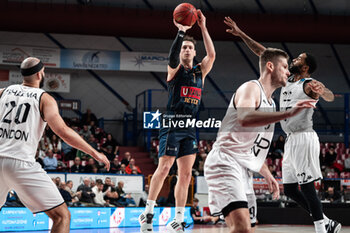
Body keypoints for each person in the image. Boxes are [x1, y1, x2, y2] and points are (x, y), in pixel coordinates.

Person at [224, 17, 341, 233]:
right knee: (290, 189)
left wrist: (322, 90)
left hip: (304, 137)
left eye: (298, 58)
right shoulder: (287, 80)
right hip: (290, 140)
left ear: (305, 67)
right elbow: (264, 54)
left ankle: (321, 230)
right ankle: (326, 221)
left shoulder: (308, 84)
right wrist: (241, 34)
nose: (293, 59)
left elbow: (331, 96)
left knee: (306, 187)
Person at [204, 46, 317, 233]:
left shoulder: (271, 103)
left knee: (248, 228)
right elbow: (244, 117)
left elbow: (253, 147)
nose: (288, 72)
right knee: (241, 227)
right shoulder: (251, 88)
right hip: (225, 161)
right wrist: (288, 113)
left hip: (244, 168)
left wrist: (267, 173)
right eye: (284, 67)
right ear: (271, 67)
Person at [0, 57, 110, 233]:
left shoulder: (4, 91)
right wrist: (94, 152)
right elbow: (63, 132)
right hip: (20, 162)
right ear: (39, 74)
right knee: (61, 216)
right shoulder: (44, 98)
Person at [139, 9, 216, 233]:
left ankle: (179, 218)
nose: (187, 50)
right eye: (184, 47)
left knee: (185, 174)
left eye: (190, 47)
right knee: (164, 168)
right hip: (172, 121)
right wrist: (181, 33)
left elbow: (211, 56)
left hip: (190, 126)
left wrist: (203, 27)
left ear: (194, 52)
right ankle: (149, 212)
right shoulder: (174, 69)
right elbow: (172, 56)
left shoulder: (200, 71)